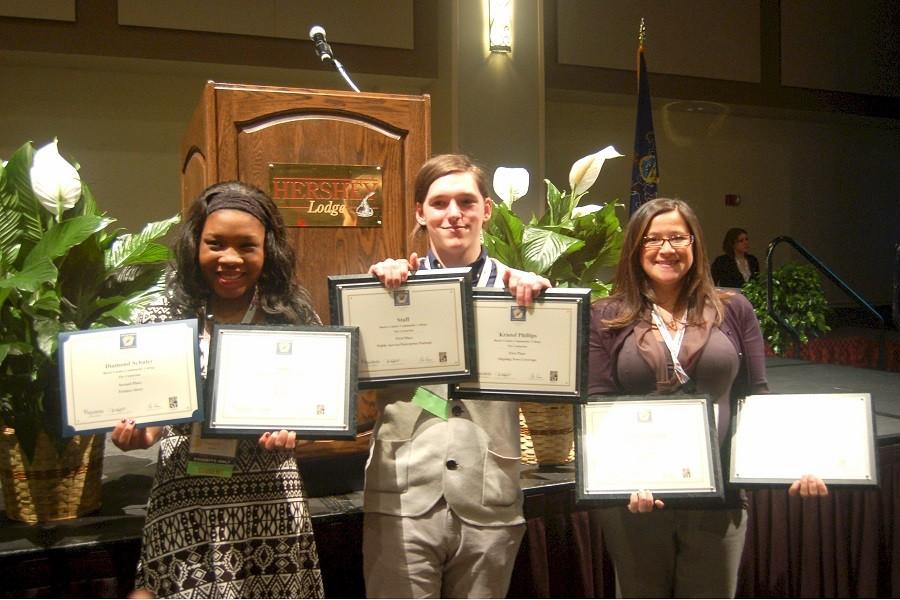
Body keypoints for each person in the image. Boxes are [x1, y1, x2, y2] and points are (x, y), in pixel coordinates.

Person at [588, 198, 827, 598]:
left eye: (678, 237)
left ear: (695, 245)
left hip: (720, 495)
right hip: (637, 496)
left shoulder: (733, 308)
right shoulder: (607, 314)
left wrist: (795, 460)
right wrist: (622, 477)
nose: (666, 249)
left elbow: (756, 397)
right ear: (635, 248)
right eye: (652, 239)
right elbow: (598, 404)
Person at [112, 181, 325, 599]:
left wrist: (299, 430)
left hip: (270, 501)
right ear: (196, 245)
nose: (230, 258)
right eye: (215, 243)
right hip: (184, 500)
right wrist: (138, 434)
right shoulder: (161, 316)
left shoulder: (292, 316)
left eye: (247, 246)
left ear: (268, 250)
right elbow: (151, 421)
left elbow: (319, 410)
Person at [363, 154, 550, 598]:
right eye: (440, 202)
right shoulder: (389, 288)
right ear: (420, 212)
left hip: (489, 495)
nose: (453, 214)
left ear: (486, 209)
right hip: (402, 493)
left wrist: (543, 304)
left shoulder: (522, 293)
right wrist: (376, 293)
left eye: (466, 201)